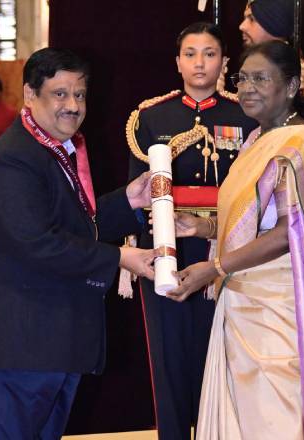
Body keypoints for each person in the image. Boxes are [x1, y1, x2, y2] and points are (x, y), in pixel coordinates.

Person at [0, 47, 156, 440]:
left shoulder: (51, 150)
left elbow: (72, 222)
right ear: (31, 95)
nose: (73, 105)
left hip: (53, 340)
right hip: (20, 343)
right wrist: (120, 257)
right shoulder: (13, 158)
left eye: (79, 94)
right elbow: (36, 242)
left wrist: (129, 200)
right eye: (60, 94)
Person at [167, 40, 304, 440]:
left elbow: (289, 233)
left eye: (260, 79)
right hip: (241, 305)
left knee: (273, 422)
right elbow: (256, 223)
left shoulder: (301, 144)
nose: (247, 87)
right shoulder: (254, 141)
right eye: (243, 78)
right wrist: (204, 228)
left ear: (289, 87)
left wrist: (213, 269)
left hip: (278, 314)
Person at [120, 22, 259, 440]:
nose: (200, 63)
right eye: (191, 54)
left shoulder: (244, 113)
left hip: (228, 247)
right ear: (177, 61)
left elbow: (254, 192)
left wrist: (212, 227)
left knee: (222, 357)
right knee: (169, 361)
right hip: (166, 248)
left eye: (210, 53)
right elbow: (137, 192)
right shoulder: (150, 115)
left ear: (224, 61)